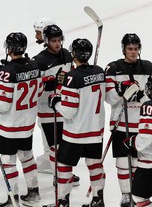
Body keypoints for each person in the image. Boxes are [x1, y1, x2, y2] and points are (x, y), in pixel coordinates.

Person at [0, 32, 43, 207]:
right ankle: (34, 193)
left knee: (8, 161)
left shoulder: (7, 72)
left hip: (9, 126)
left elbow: (3, 105)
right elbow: (39, 91)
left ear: (9, 48)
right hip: (27, 124)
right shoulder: (34, 65)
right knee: (27, 157)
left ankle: (13, 198)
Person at [47, 38, 106, 207]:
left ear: (74, 54)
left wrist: (56, 102)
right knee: (94, 164)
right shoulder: (100, 71)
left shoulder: (72, 77)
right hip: (95, 131)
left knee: (64, 165)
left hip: (76, 133)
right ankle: (98, 199)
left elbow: (69, 111)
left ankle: (63, 202)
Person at [105, 33, 152, 206]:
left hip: (142, 123)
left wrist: (140, 96)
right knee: (123, 162)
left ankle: (137, 194)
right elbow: (109, 99)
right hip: (120, 122)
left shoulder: (148, 67)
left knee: (140, 162)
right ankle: (125, 194)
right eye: (129, 49)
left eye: (136, 48)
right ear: (123, 49)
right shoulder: (113, 68)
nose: (133, 52)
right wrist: (120, 90)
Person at [32, 24, 80, 186]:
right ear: (46, 41)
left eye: (59, 40)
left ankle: (65, 174)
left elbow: (71, 75)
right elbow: (35, 89)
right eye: (53, 41)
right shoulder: (39, 60)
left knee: (65, 146)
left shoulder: (67, 54)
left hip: (64, 108)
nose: (58, 43)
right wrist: (49, 82)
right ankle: (57, 176)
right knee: (55, 147)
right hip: (46, 110)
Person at [123, 75, 152, 207]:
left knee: (139, 197)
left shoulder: (148, 107)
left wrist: (132, 141)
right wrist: (140, 96)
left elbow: (146, 138)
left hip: (148, 163)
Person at [33, 17, 56, 174]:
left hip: (47, 104)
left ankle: (51, 160)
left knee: (49, 130)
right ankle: (50, 156)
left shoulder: (41, 59)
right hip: (59, 103)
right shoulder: (64, 53)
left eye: (38, 33)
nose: (36, 37)